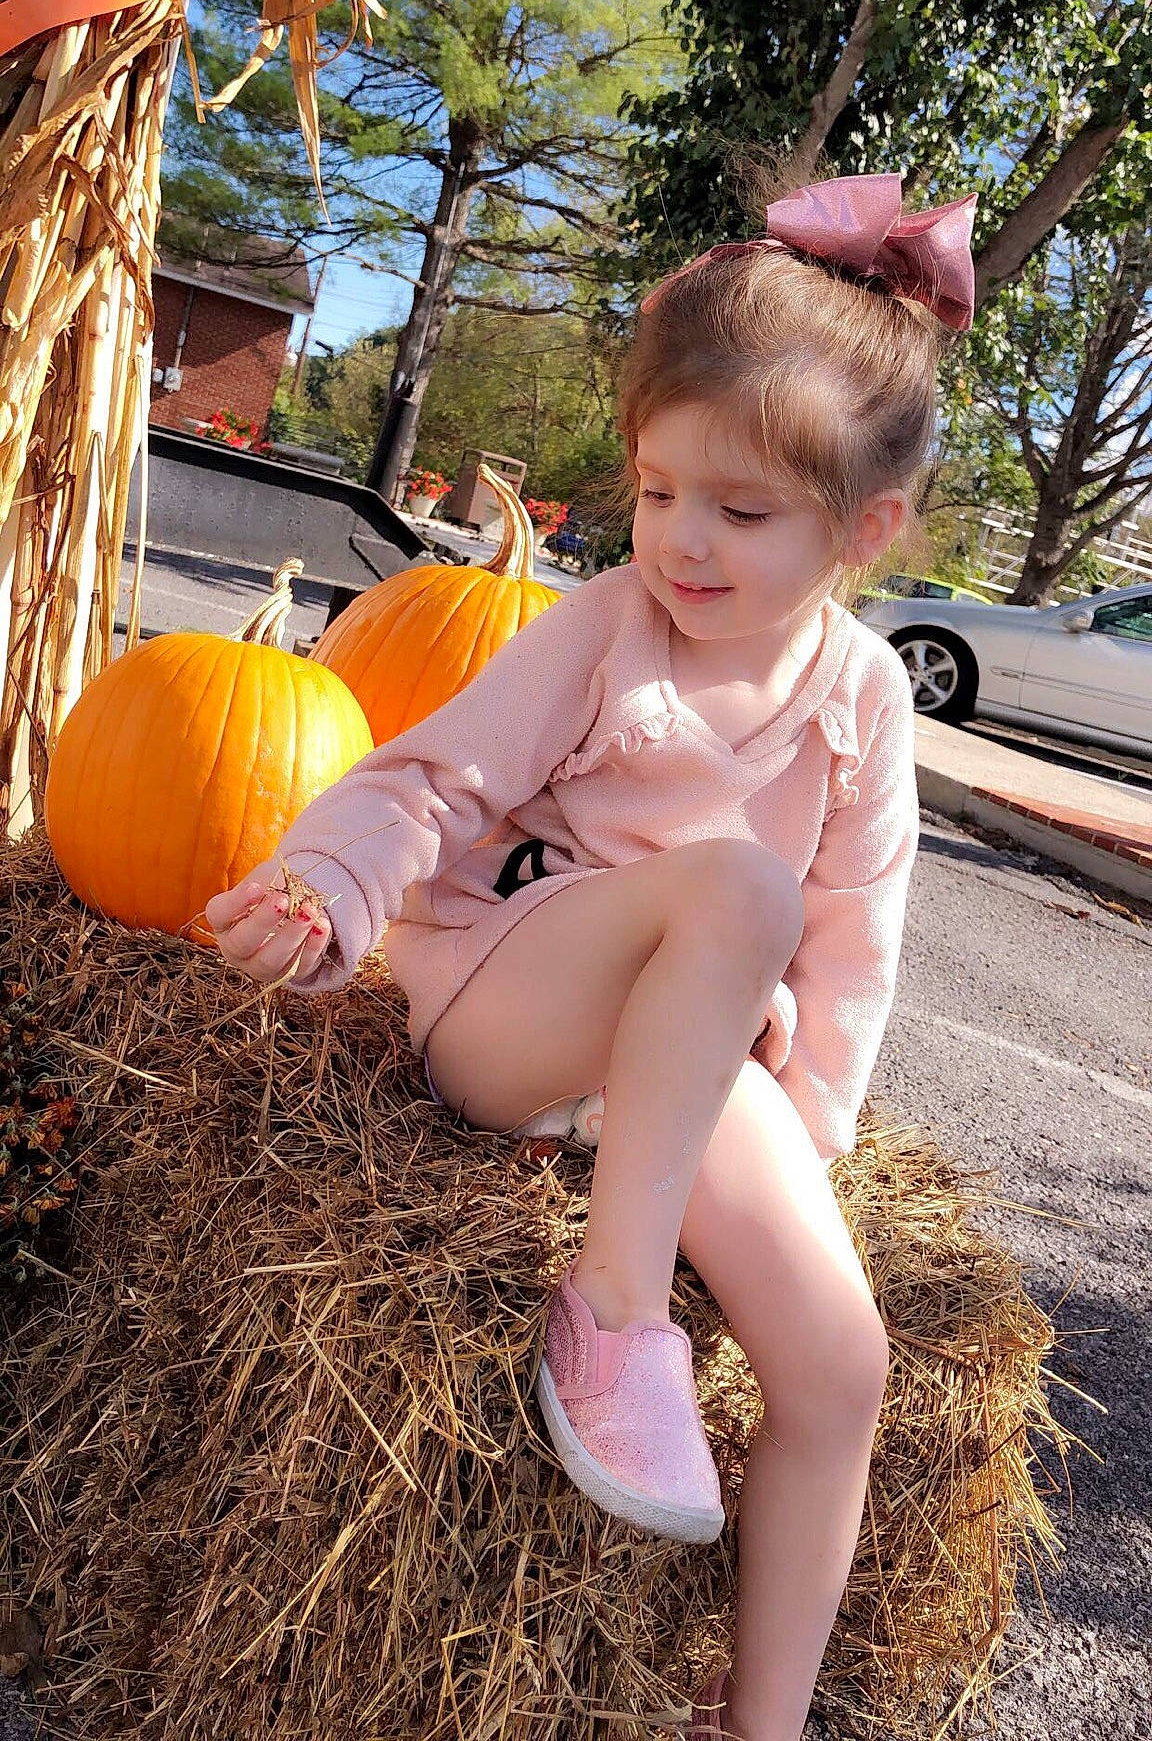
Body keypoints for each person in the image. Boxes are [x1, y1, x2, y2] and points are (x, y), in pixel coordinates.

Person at [206, 167, 977, 1741]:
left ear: (867, 527)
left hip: (675, 1074)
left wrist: (804, 1155)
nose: (681, 539)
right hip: (518, 1006)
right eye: (657, 489)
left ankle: (760, 1722)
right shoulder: (606, 626)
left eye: (740, 512)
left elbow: (860, 949)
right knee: (742, 898)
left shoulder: (863, 699)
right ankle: (612, 1317)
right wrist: (330, 892)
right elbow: (429, 780)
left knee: (844, 1362)